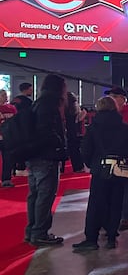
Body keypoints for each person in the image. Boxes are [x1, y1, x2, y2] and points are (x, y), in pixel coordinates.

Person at [72, 97, 128, 252]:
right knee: (115, 203)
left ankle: (91, 239)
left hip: (100, 170)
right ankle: (111, 238)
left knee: (96, 204)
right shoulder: (124, 127)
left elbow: (86, 150)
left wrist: (92, 164)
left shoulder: (94, 128)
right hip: (119, 170)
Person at [26, 74, 68, 247]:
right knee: (45, 195)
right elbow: (47, 131)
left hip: (34, 156)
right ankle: (40, 233)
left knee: (35, 195)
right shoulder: (49, 105)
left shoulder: (37, 102)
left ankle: (32, 231)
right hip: (46, 156)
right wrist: (59, 144)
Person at [105, 87, 128, 230]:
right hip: (108, 156)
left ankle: (126, 217)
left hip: (122, 156)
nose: (110, 99)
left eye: (113, 96)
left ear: (121, 99)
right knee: (108, 187)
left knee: (124, 187)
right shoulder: (109, 114)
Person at [65, 92, 87, 173]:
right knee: (75, 150)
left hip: (67, 131)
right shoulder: (75, 108)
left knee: (72, 150)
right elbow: (78, 119)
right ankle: (78, 167)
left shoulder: (65, 108)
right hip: (74, 131)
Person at [1, 89, 18, 187]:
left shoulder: (12, 108)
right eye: (3, 95)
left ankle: (6, 179)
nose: (5, 97)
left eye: (6, 95)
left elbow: (16, 122)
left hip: (8, 137)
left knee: (8, 159)